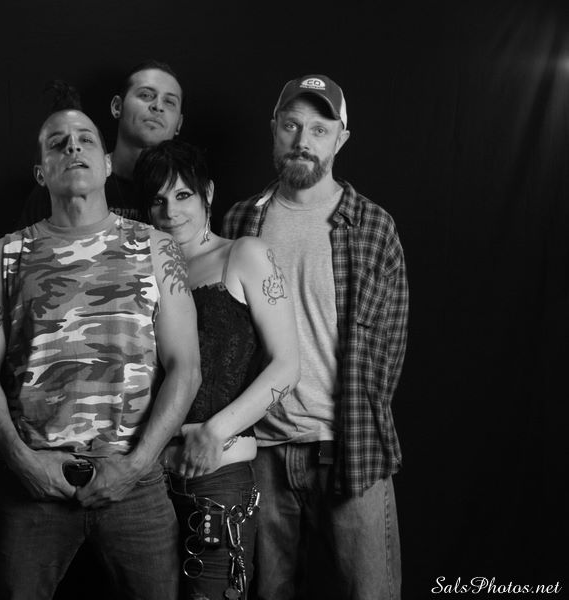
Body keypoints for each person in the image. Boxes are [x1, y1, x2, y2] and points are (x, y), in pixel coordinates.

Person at [0, 99, 201, 599]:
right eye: (58, 144)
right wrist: (20, 460)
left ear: (108, 163)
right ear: (41, 172)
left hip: (133, 480)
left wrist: (138, 464)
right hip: (34, 482)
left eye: (86, 139)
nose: (73, 147)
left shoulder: (156, 247)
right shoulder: (6, 254)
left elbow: (185, 366)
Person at [222, 74, 409, 599]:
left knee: (370, 592)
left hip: (350, 448)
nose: (303, 140)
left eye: (320, 130)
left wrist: (353, 422)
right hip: (260, 454)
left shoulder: (372, 227)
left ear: (340, 139)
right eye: (292, 126)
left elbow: (389, 350)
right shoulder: (241, 221)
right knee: (264, 592)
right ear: (274, 130)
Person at [133, 139, 300, 600]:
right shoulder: (142, 271)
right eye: (158, 200)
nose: (171, 212)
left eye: (183, 195)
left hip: (218, 477)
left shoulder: (244, 255)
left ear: (207, 192)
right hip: (147, 479)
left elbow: (287, 365)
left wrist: (215, 431)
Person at [15, 59, 184, 226]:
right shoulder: (64, 179)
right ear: (117, 106)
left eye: (169, 102)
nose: (158, 106)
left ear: (179, 124)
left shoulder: (190, 187)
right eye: (146, 95)